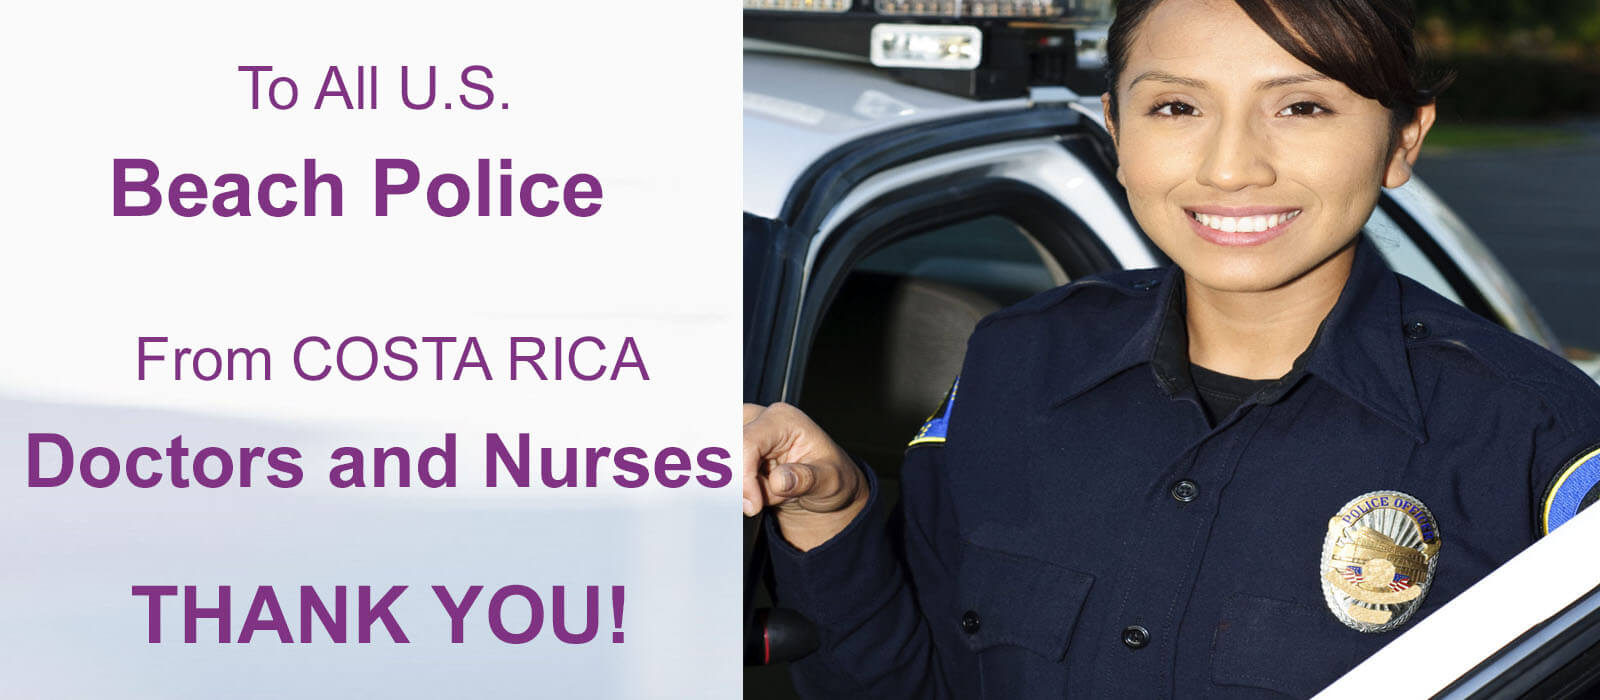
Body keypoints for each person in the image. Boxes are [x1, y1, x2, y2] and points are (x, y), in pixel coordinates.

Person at [741, 0, 1600, 697]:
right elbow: (915, 684)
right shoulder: (1016, 364)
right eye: (1177, 107)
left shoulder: (1538, 442)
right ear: (1116, 129)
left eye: (1301, 106)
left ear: (1403, 139)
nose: (1231, 168)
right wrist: (830, 511)